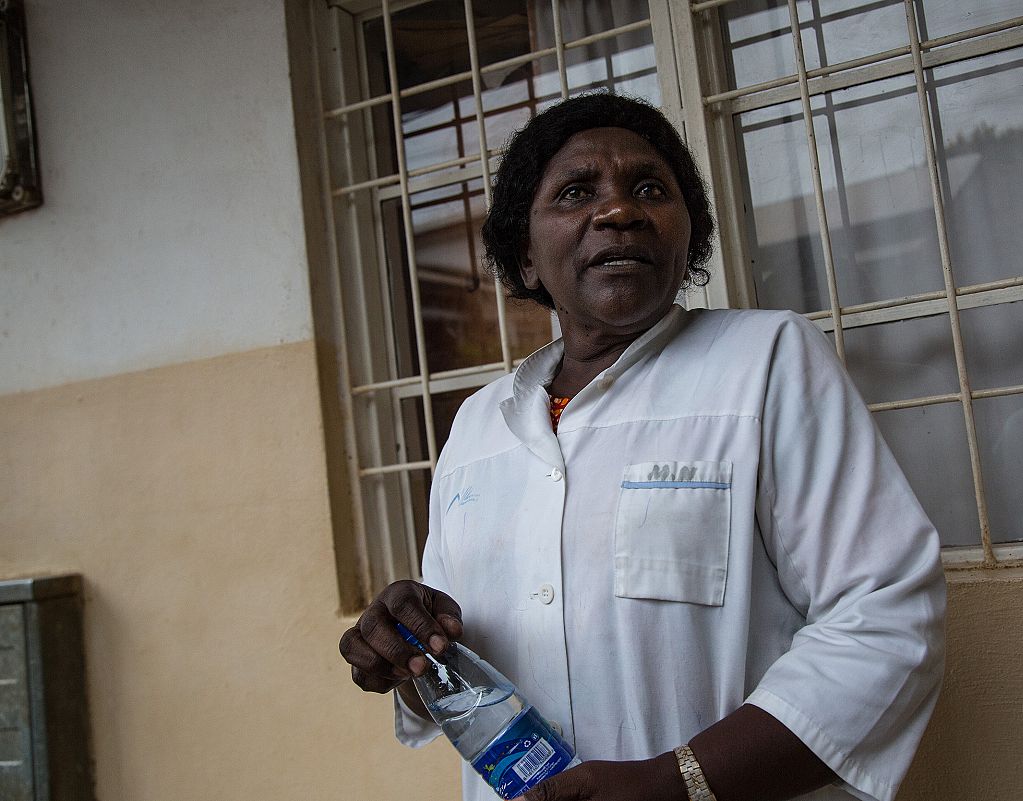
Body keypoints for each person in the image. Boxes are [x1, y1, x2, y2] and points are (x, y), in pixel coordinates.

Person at [339, 93, 946, 801]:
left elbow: (887, 616)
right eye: (575, 192)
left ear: (686, 238)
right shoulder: (478, 427)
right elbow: (462, 665)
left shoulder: (766, 361)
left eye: (650, 189)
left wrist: (680, 781)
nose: (619, 210)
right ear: (527, 258)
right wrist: (408, 649)